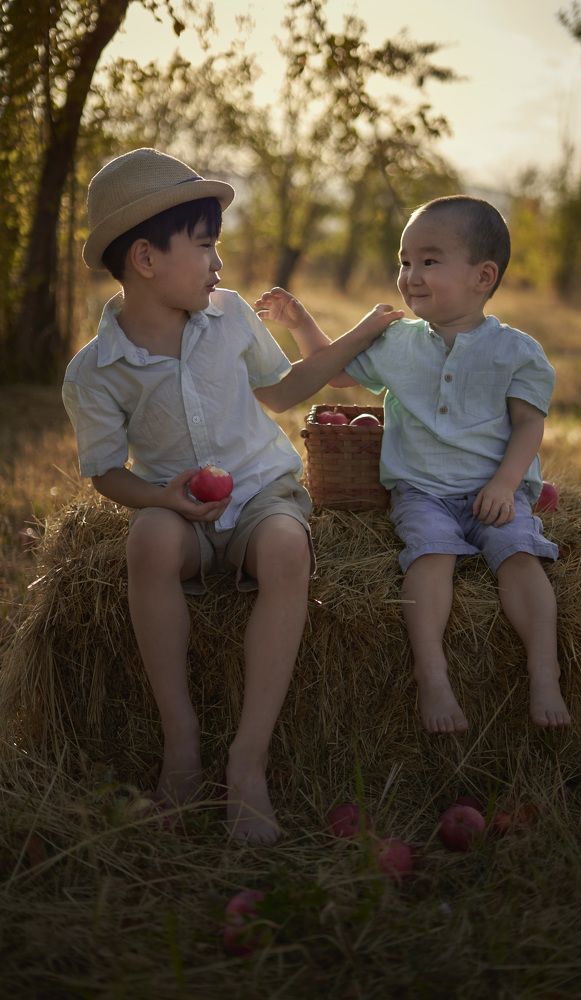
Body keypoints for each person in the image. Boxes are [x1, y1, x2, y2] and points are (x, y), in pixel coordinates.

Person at [62, 147, 403, 844]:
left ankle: (248, 762)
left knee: (284, 551)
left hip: (258, 493)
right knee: (149, 541)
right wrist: (164, 497)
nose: (219, 265)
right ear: (146, 260)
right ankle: (181, 744)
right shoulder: (93, 369)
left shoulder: (232, 316)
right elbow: (104, 472)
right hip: (180, 511)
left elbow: (283, 390)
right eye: (206, 247)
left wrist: (363, 332)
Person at [254, 195, 571, 735]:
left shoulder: (518, 351)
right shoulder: (397, 342)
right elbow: (340, 374)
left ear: (482, 275)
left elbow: (527, 426)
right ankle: (433, 673)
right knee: (430, 555)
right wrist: (300, 321)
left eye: (429, 260)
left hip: (494, 490)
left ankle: (545, 673)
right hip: (421, 491)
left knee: (520, 554)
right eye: (404, 261)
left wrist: (505, 483)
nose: (410, 275)